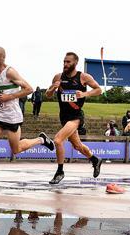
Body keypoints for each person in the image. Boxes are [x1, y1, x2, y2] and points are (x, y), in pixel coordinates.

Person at [0, 47, 54, 187]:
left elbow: (29, 89)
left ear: (2, 58)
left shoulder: (10, 72)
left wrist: (10, 97)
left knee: (16, 149)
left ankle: (40, 140)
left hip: (12, 116)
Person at [45, 52, 103, 185]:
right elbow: (48, 95)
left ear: (75, 63)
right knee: (77, 146)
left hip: (76, 117)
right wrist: (52, 88)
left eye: (68, 62)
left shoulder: (83, 77)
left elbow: (98, 90)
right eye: (64, 61)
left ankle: (60, 171)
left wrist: (84, 93)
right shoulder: (58, 77)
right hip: (64, 117)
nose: (65, 64)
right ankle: (95, 159)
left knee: (58, 140)